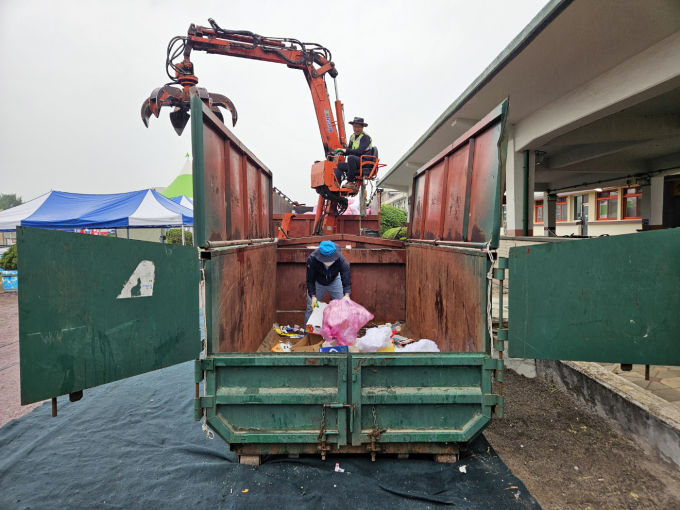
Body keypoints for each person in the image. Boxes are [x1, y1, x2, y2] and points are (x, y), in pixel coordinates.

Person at [305, 240, 351, 323]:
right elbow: (310, 280)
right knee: (310, 308)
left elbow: (346, 278)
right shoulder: (312, 259)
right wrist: (313, 296)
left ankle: (340, 333)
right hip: (317, 281)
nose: (328, 261)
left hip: (334, 280)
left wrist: (347, 295)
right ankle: (307, 334)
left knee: (342, 306)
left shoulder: (341, 260)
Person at [333, 117, 373, 191]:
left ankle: (350, 182)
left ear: (362, 127)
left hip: (364, 162)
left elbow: (359, 151)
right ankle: (336, 184)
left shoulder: (365, 137)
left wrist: (345, 151)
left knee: (351, 158)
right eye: (355, 127)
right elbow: (349, 150)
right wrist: (341, 151)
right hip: (354, 162)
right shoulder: (352, 137)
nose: (356, 129)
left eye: (359, 127)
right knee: (338, 165)